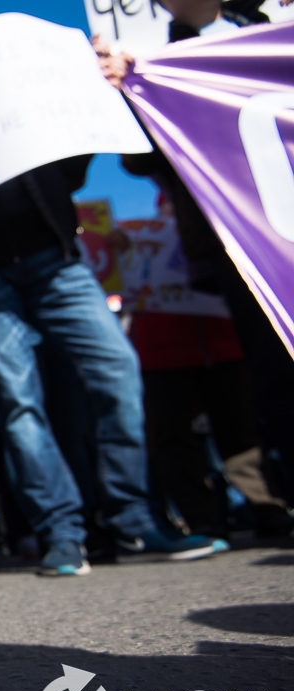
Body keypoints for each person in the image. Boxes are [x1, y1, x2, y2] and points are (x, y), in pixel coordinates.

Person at [0, 14, 224, 576]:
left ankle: (132, 521)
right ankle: (63, 534)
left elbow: (74, 169)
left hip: (56, 261)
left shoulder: (26, 110)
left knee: (118, 371)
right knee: (19, 405)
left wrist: (92, 91)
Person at [96, 0, 294, 508]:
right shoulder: (159, 57)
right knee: (275, 366)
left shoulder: (268, 28)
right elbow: (139, 160)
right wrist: (133, 94)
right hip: (244, 234)